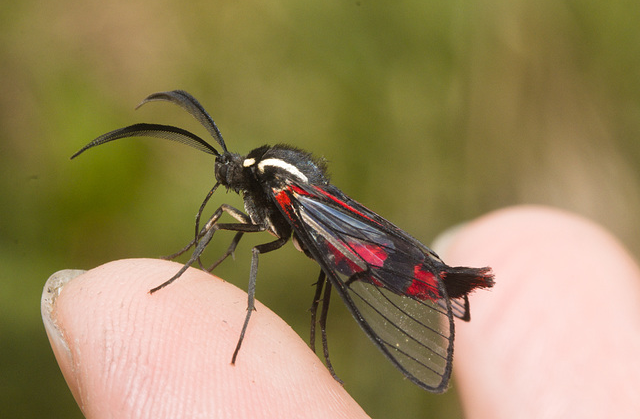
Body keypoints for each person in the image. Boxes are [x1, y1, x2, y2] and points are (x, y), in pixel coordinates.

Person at [42, 206, 640, 418]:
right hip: (365, 251)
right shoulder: (276, 205)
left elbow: (322, 255)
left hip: (375, 255)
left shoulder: (283, 198)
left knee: (329, 266)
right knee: (325, 265)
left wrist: (244, 311)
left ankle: (447, 280)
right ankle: (447, 279)